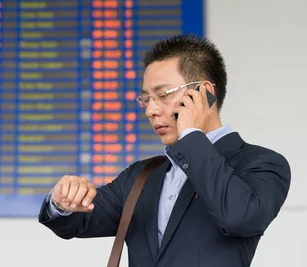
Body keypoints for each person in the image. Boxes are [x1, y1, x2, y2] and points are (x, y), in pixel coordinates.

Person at [38, 34, 291, 266]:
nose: (151, 110)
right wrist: (61, 202)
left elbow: (239, 217)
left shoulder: (262, 164)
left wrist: (190, 135)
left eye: (162, 95)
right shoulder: (143, 175)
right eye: (146, 99)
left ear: (205, 94)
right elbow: (78, 221)